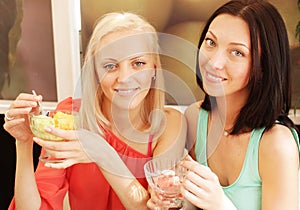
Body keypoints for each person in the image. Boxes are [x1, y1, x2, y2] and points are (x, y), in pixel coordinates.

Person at [3, 12, 186, 210]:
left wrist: (101, 153)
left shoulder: (170, 125)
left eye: (138, 64)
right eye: (110, 66)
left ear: (154, 70)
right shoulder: (70, 115)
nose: (124, 78)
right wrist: (23, 143)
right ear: (95, 72)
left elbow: (156, 207)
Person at [147, 0, 300, 209]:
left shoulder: (276, 145)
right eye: (211, 42)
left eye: (237, 52)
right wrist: (172, 199)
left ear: (264, 67)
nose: (214, 62)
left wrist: (220, 205)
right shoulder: (195, 118)